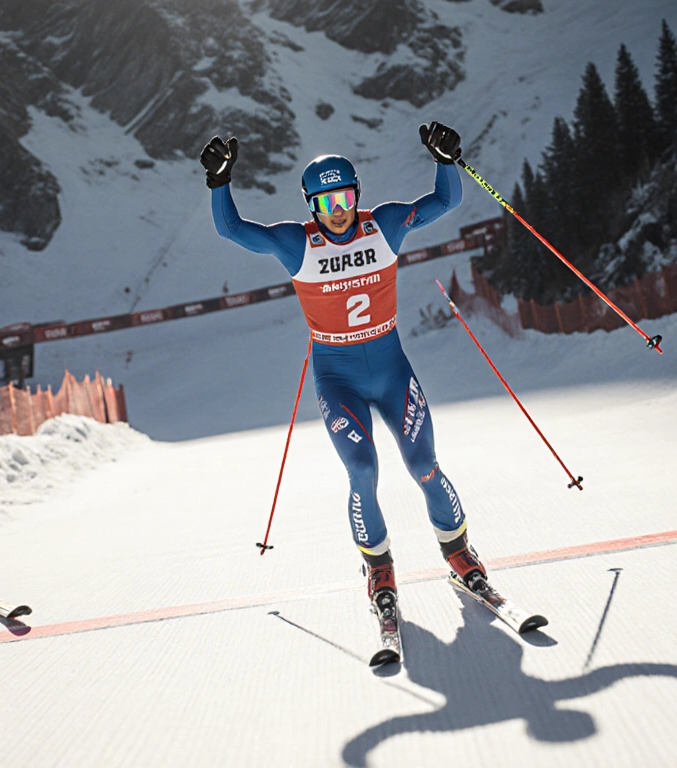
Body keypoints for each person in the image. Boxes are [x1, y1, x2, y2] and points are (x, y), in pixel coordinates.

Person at [201, 122, 489, 624]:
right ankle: (379, 569)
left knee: (425, 466)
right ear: (311, 207)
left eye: (345, 200)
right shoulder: (297, 244)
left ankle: (460, 554)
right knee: (362, 471)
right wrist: (219, 183)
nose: (337, 212)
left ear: (357, 196)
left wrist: (447, 160)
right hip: (338, 381)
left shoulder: (386, 225)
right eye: (326, 204)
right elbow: (232, 230)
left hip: (392, 369)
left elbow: (445, 202)